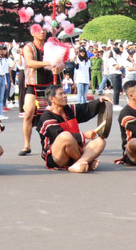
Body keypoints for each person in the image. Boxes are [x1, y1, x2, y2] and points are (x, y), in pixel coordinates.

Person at [37, 85, 108, 172]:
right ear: (52, 99)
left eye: (64, 93)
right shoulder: (46, 117)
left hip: (76, 149)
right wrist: (84, 135)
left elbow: (85, 109)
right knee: (65, 136)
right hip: (57, 156)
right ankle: (85, 161)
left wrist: (100, 101)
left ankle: (80, 163)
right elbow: (58, 135)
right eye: (61, 94)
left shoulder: (68, 109)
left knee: (100, 141)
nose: (65, 96)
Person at [20, 27, 57, 156]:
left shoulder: (50, 46)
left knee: (53, 114)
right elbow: (30, 62)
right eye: (39, 30)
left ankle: (53, 143)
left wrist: (57, 68)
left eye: (44, 30)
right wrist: (48, 63)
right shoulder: (28, 47)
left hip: (50, 85)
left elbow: (60, 64)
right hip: (33, 84)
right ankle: (27, 145)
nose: (42, 32)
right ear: (32, 33)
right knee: (29, 113)